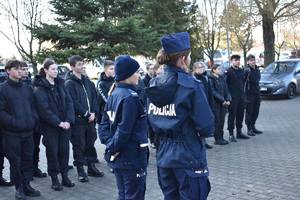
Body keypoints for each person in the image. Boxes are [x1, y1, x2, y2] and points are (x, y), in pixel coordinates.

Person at [146, 32, 214, 200]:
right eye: (189, 57)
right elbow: (206, 126)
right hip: (187, 154)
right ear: (183, 59)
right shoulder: (191, 85)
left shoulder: (154, 83)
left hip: (163, 153)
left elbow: (150, 120)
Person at [99, 55, 148, 200]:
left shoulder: (114, 93)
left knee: (123, 194)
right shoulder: (130, 97)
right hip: (131, 156)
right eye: (137, 72)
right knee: (134, 195)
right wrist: (113, 148)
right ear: (128, 75)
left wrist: (110, 145)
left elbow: (104, 126)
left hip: (120, 156)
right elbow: (124, 131)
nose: (139, 75)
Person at [0, 60, 41, 200]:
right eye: (16, 69)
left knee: (27, 160)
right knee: (15, 162)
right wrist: (14, 122)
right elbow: (1, 112)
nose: (20, 71)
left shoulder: (27, 88)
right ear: (8, 71)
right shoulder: (2, 89)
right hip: (12, 134)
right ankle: (19, 188)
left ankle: (27, 185)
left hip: (28, 132)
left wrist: (33, 120)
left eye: (21, 69)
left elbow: (33, 107)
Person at [33, 59, 75, 191]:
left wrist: (68, 120)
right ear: (45, 70)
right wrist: (59, 123)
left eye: (57, 69)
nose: (56, 71)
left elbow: (69, 103)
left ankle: (65, 176)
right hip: (50, 128)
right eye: (52, 69)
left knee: (64, 151)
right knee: (53, 153)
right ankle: (55, 178)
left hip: (65, 126)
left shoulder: (61, 84)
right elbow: (44, 110)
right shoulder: (39, 88)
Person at [65, 55, 104, 183]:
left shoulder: (88, 82)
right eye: (79, 64)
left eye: (83, 64)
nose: (82, 66)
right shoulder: (69, 83)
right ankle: (80, 169)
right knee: (79, 145)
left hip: (90, 120)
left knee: (90, 143)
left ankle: (91, 167)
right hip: (78, 121)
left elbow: (94, 98)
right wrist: (86, 113)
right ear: (72, 67)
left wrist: (93, 112)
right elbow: (73, 102)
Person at [20, 62, 47, 178]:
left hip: (35, 123)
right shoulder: (18, 85)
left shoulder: (32, 83)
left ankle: (35, 168)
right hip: (23, 124)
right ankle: (27, 172)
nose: (25, 71)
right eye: (23, 69)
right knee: (25, 151)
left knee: (35, 148)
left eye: (27, 69)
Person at [226, 55, 250, 142]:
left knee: (240, 114)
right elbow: (226, 85)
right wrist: (228, 97)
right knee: (232, 115)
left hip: (241, 97)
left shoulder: (241, 71)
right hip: (232, 97)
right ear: (231, 61)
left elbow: (243, 83)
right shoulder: (228, 71)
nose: (238, 62)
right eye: (236, 60)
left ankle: (239, 132)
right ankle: (231, 134)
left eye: (239, 60)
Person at [193, 61, 214, 149]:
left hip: (206, 102)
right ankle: (199, 142)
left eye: (202, 67)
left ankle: (204, 141)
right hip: (198, 104)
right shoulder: (193, 79)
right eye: (199, 67)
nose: (202, 69)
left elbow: (209, 91)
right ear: (194, 69)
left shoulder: (205, 78)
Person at [209, 64, 231, 145]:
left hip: (223, 104)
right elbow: (213, 91)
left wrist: (228, 99)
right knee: (217, 121)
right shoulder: (211, 79)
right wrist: (222, 100)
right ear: (213, 70)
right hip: (216, 104)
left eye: (220, 68)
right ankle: (217, 138)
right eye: (218, 69)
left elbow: (226, 90)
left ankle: (221, 137)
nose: (220, 70)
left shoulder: (222, 78)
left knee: (222, 121)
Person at [244, 55, 263, 136]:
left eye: (254, 60)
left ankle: (253, 126)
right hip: (249, 94)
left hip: (257, 93)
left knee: (256, 111)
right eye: (251, 60)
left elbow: (258, 80)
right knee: (249, 112)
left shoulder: (257, 69)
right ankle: (249, 129)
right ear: (248, 62)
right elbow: (243, 82)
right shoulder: (246, 70)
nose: (253, 62)